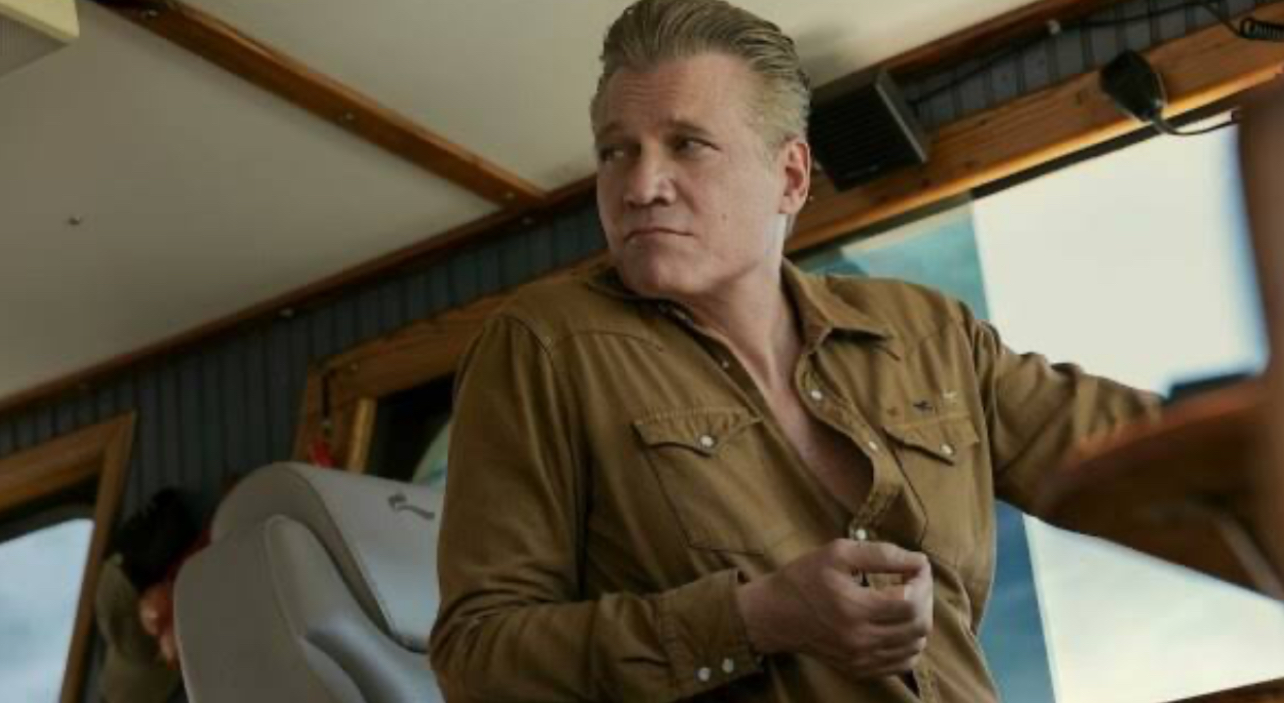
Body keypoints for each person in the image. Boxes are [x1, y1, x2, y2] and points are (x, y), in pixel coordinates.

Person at [428, 1, 1159, 700]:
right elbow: (477, 658)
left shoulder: (930, 332)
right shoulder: (544, 343)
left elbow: (1153, 457)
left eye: (687, 144)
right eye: (616, 152)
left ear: (791, 176)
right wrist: (753, 619)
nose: (640, 186)